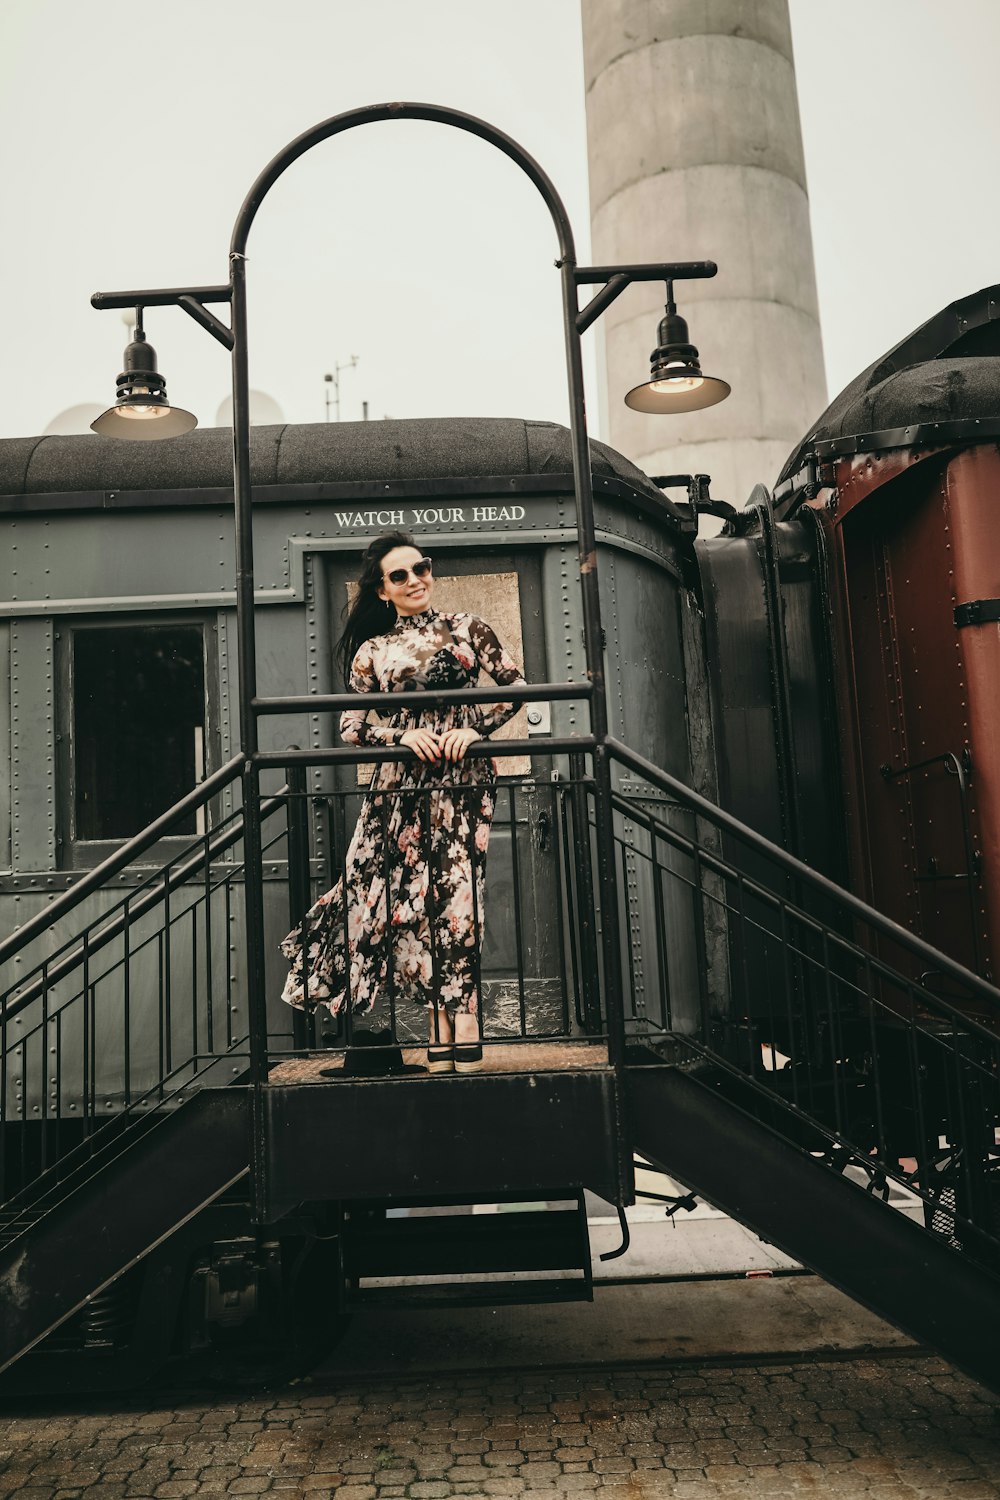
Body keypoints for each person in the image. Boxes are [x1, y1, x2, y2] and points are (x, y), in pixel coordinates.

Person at [280, 531, 526, 1073]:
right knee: (412, 902)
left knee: (458, 895)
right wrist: (401, 737)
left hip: (462, 781)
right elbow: (351, 726)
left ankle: (465, 1020)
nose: (415, 580)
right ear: (382, 590)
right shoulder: (373, 650)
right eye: (400, 575)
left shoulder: (467, 628)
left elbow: (516, 686)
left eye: (421, 568)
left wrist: (475, 731)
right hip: (400, 786)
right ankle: (439, 1023)